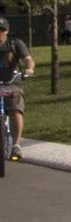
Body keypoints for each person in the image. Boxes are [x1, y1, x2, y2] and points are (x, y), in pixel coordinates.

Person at [0, 18, 34, 158]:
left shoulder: (15, 44)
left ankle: (16, 145)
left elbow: (28, 59)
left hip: (12, 83)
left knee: (15, 111)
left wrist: (29, 69)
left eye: (2, 30)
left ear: (7, 31)